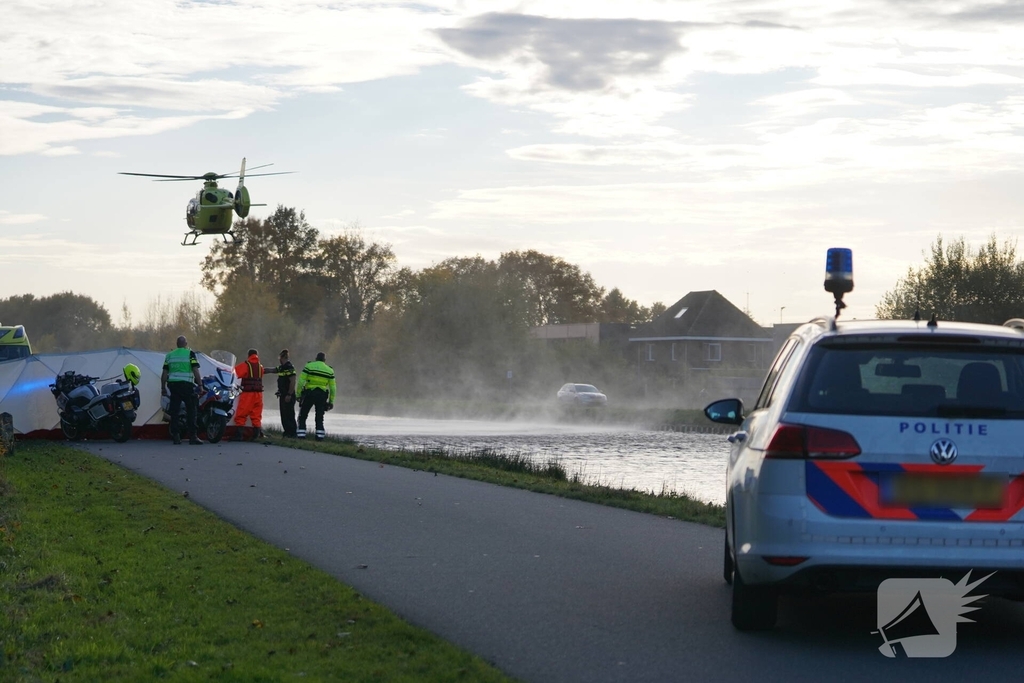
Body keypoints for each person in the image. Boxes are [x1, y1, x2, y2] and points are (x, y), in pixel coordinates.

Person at [161, 335, 203, 445]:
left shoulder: (169, 356)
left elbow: (164, 373)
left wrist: (163, 388)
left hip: (173, 386)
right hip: (187, 386)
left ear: (176, 344)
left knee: (174, 411)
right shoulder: (190, 354)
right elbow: (195, 370)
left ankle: (176, 436)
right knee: (191, 410)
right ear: (186, 344)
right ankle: (193, 436)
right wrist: (200, 384)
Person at [296, 352, 336, 441]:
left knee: (303, 415)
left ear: (316, 358)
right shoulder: (330, 370)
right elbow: (333, 388)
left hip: (309, 393)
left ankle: (301, 436)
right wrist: (331, 401)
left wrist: (298, 395)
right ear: (324, 360)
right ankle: (320, 437)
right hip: (322, 395)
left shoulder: (309, 366)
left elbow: (301, 381)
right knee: (319, 417)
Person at [232, 348, 265, 441]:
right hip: (259, 395)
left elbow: (235, 372)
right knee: (256, 415)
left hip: (248, 394)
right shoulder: (260, 367)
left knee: (241, 414)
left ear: (248, 355)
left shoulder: (246, 365)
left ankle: (239, 435)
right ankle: (255, 436)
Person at [266, 348, 297, 437]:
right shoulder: (282, 368)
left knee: (289, 414)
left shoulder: (289, 367)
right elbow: (271, 370)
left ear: (282, 358)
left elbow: (293, 381)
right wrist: (260, 369)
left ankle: (292, 433)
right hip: (283, 395)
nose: (279, 360)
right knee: (284, 415)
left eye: (279, 358)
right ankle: (287, 432)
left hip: (288, 395)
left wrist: (289, 394)